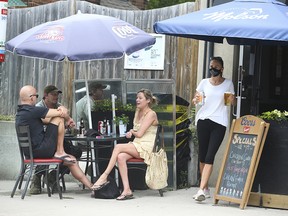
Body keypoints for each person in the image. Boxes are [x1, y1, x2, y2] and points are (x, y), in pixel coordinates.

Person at [15, 85, 93, 192]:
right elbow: (60, 114)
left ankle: (92, 187)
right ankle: (58, 153)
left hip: (32, 151)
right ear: (32, 97)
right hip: (42, 149)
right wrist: (64, 112)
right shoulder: (34, 110)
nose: (56, 97)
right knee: (58, 118)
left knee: (72, 158)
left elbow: (46, 121)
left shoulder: (21, 113)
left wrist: (64, 118)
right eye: (36, 95)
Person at [92, 88, 159, 200]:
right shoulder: (138, 111)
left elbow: (140, 133)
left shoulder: (151, 114)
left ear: (148, 100)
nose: (137, 100)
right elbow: (136, 130)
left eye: (140, 98)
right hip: (137, 144)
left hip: (146, 147)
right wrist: (131, 131)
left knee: (118, 147)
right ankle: (127, 190)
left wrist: (132, 132)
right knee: (120, 156)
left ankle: (104, 176)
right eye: (137, 98)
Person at [192, 57, 236, 202]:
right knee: (203, 155)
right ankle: (204, 188)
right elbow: (197, 99)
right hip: (203, 120)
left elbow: (229, 103)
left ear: (221, 69)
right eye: (211, 66)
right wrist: (196, 100)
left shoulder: (228, 83)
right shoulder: (204, 83)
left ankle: (200, 190)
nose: (213, 69)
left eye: (216, 66)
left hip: (219, 122)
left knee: (211, 155)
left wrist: (233, 99)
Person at [29, 85, 82, 194]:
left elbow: (63, 122)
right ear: (45, 95)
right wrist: (63, 117)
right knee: (48, 150)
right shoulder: (39, 107)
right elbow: (47, 120)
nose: (56, 97)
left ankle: (53, 175)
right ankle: (37, 178)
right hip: (42, 139)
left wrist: (68, 123)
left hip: (58, 140)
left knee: (75, 152)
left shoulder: (59, 106)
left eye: (57, 94)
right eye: (53, 94)